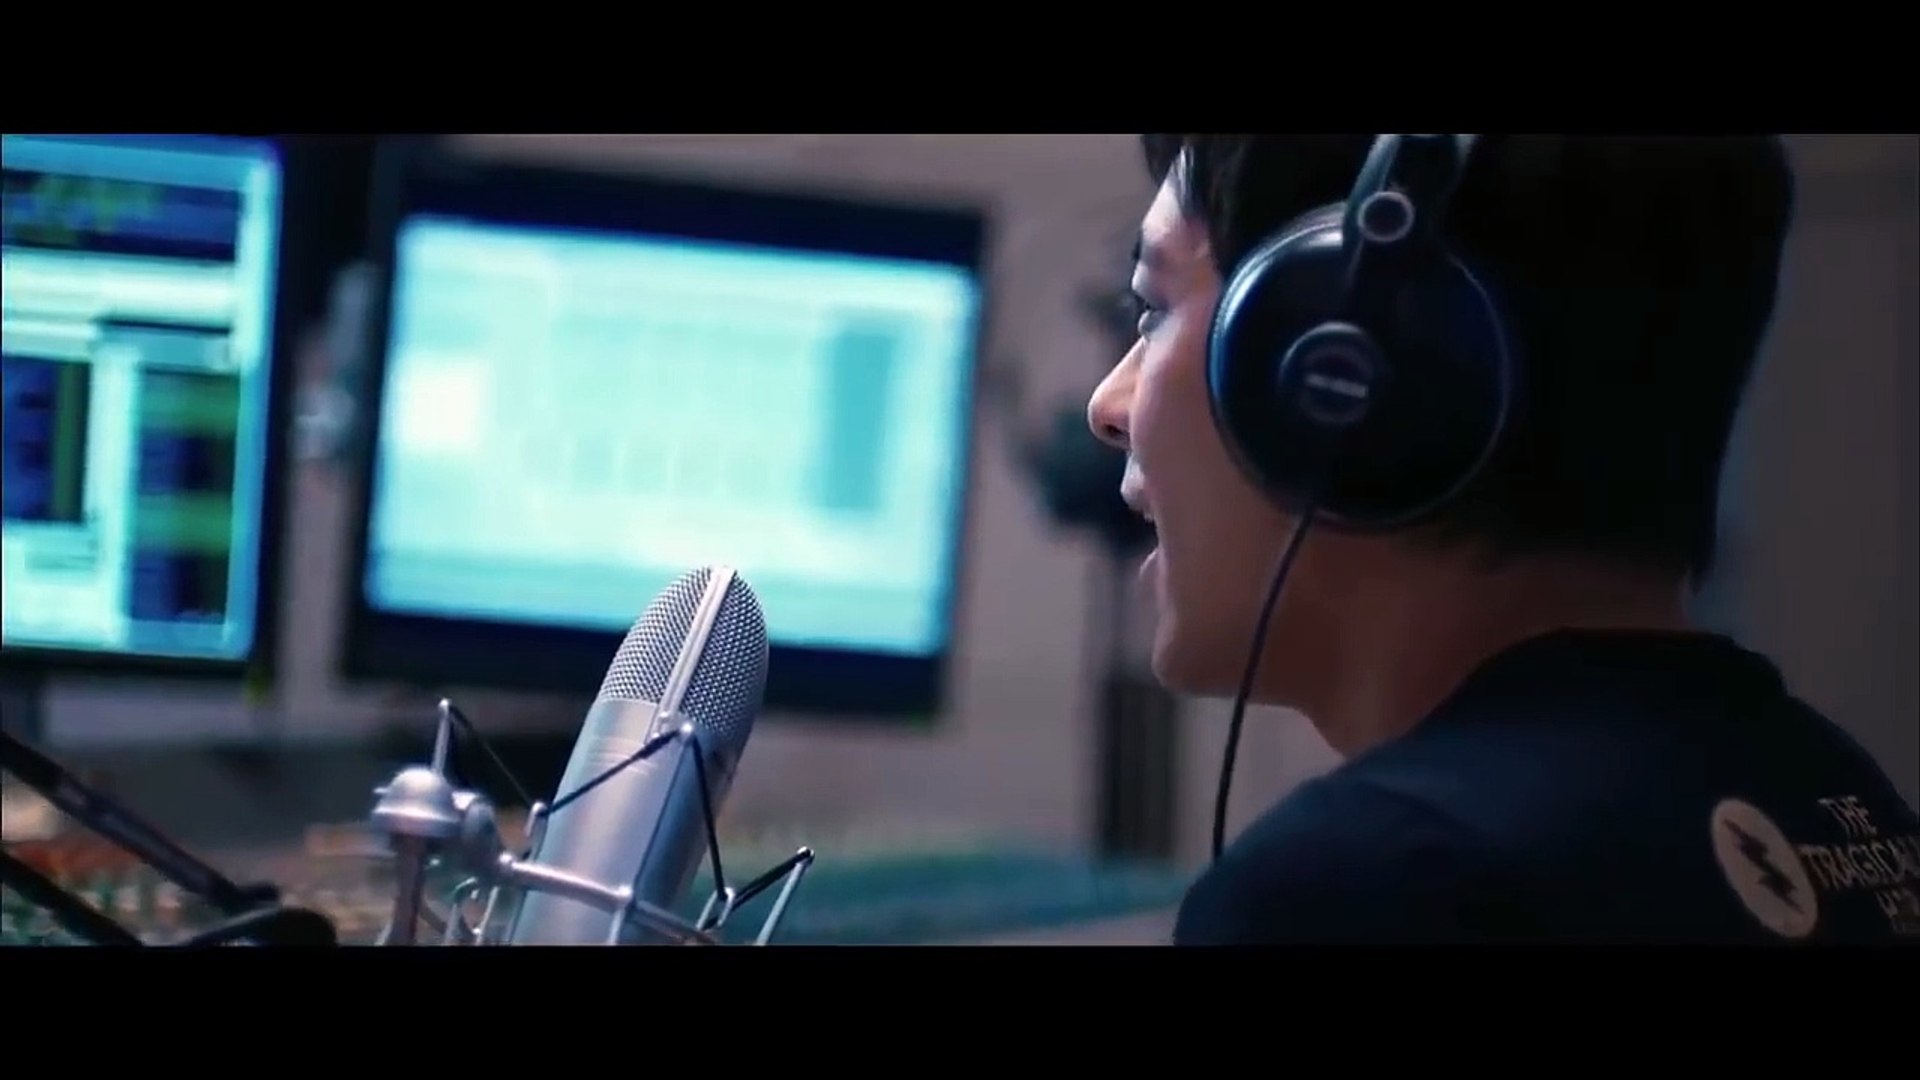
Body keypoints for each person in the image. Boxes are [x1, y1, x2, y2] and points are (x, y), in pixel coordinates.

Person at [1087, 133, 1920, 944]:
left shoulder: (1370, 888)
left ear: (1350, 369)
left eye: (1152, 310)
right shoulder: (1838, 801)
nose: (1106, 407)